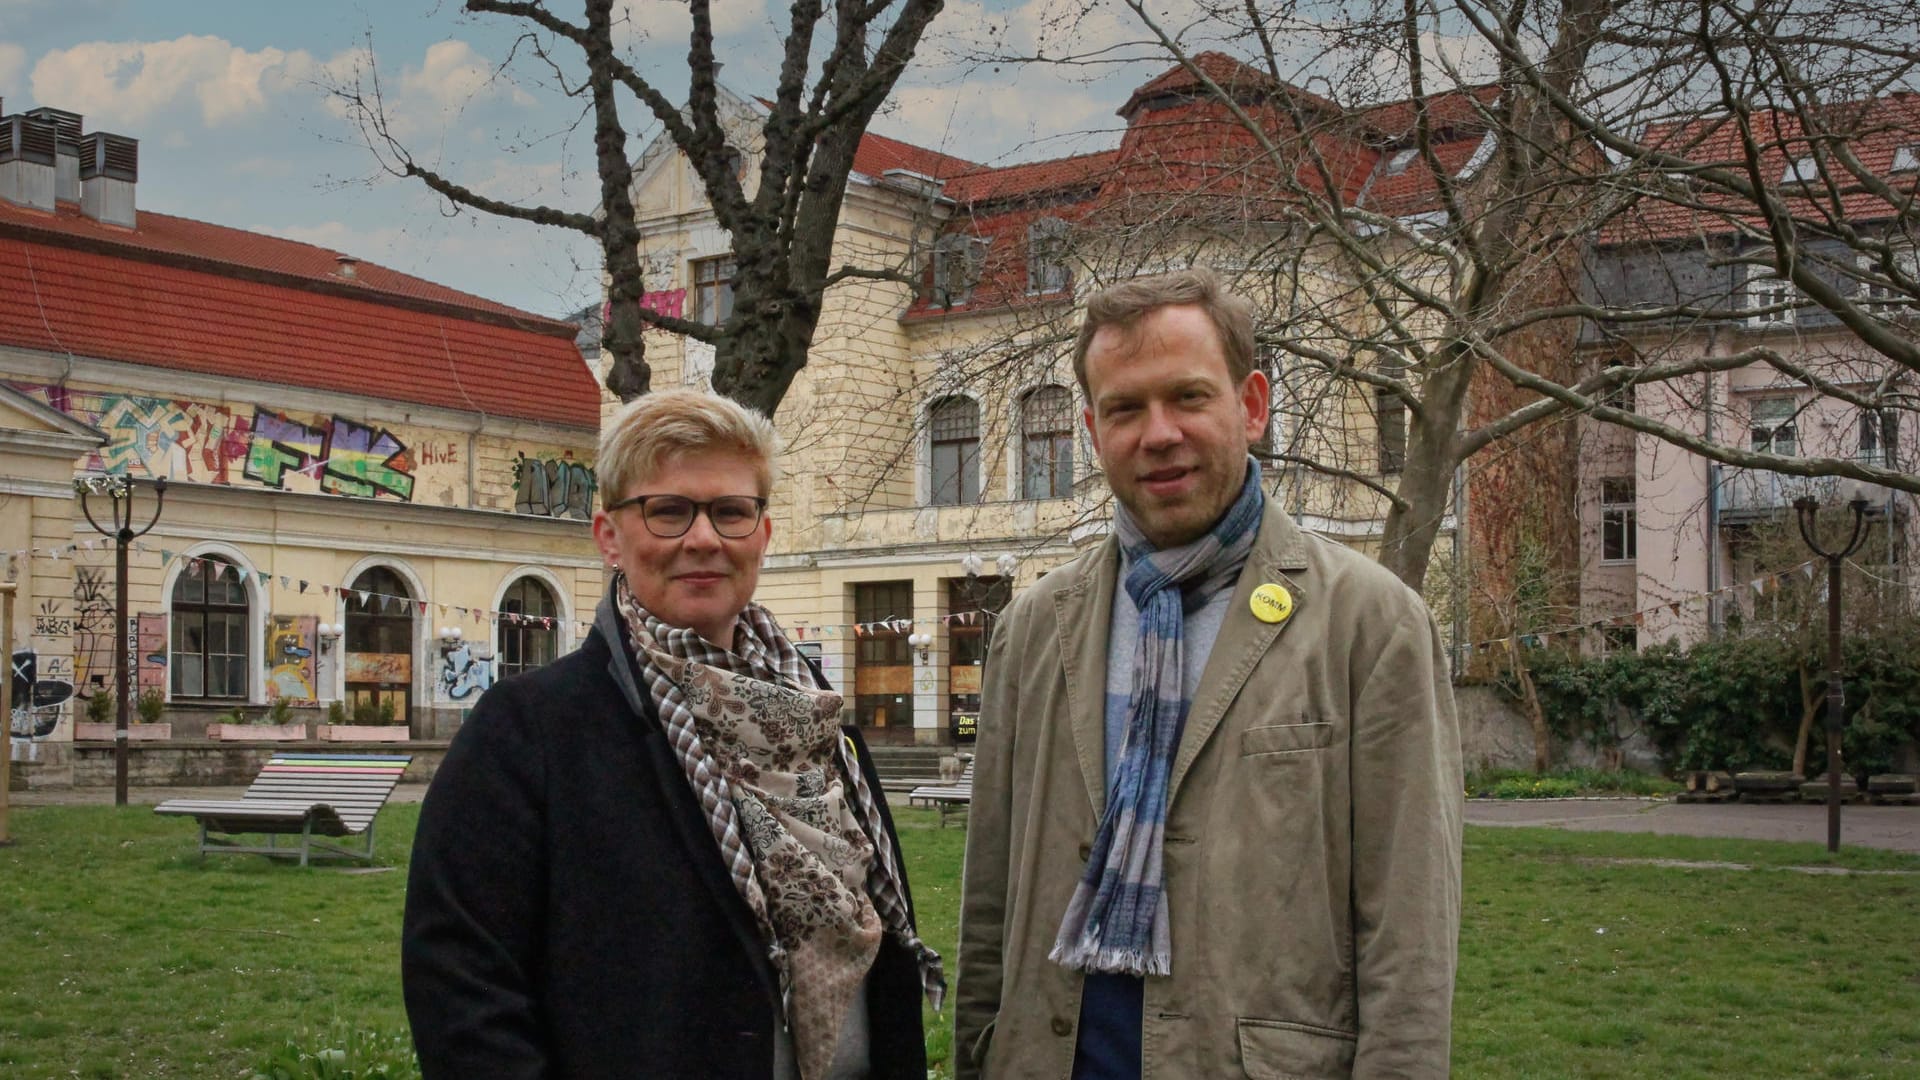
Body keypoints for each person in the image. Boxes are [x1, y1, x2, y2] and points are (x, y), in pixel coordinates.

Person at [954, 269, 1462, 1079]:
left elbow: (1410, 936)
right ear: (1093, 429)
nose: (1158, 434)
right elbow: (988, 910)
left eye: (1188, 397)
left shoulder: (1370, 625)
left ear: (1251, 406)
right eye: (1125, 408)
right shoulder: (1036, 628)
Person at [404, 388, 942, 1080]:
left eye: (731, 512)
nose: (704, 539)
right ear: (609, 537)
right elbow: (461, 982)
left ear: (763, 534)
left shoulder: (818, 723)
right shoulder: (531, 731)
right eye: (668, 511)